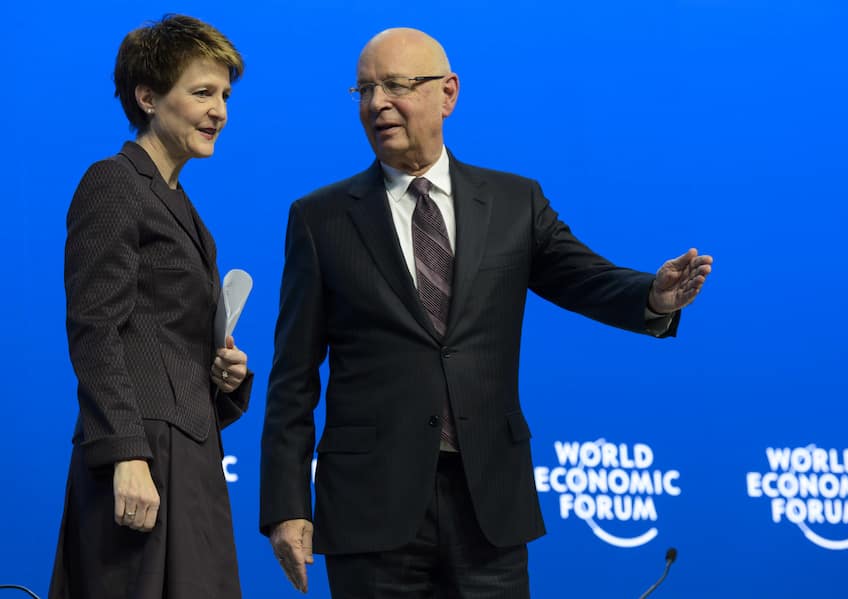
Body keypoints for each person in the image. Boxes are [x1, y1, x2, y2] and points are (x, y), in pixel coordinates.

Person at [260, 27, 713, 598]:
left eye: (396, 85)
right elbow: (292, 377)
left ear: (447, 94)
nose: (377, 104)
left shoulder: (512, 202)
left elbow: (584, 277)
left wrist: (652, 296)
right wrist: (286, 506)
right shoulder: (320, 219)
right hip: (370, 510)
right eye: (364, 91)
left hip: (489, 507)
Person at [50, 15, 252, 599]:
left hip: (190, 456)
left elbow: (165, 340)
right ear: (147, 97)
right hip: (140, 460)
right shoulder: (113, 182)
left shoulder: (184, 209)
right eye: (202, 93)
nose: (220, 111)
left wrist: (226, 376)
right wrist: (126, 455)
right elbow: (94, 328)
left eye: (225, 96)